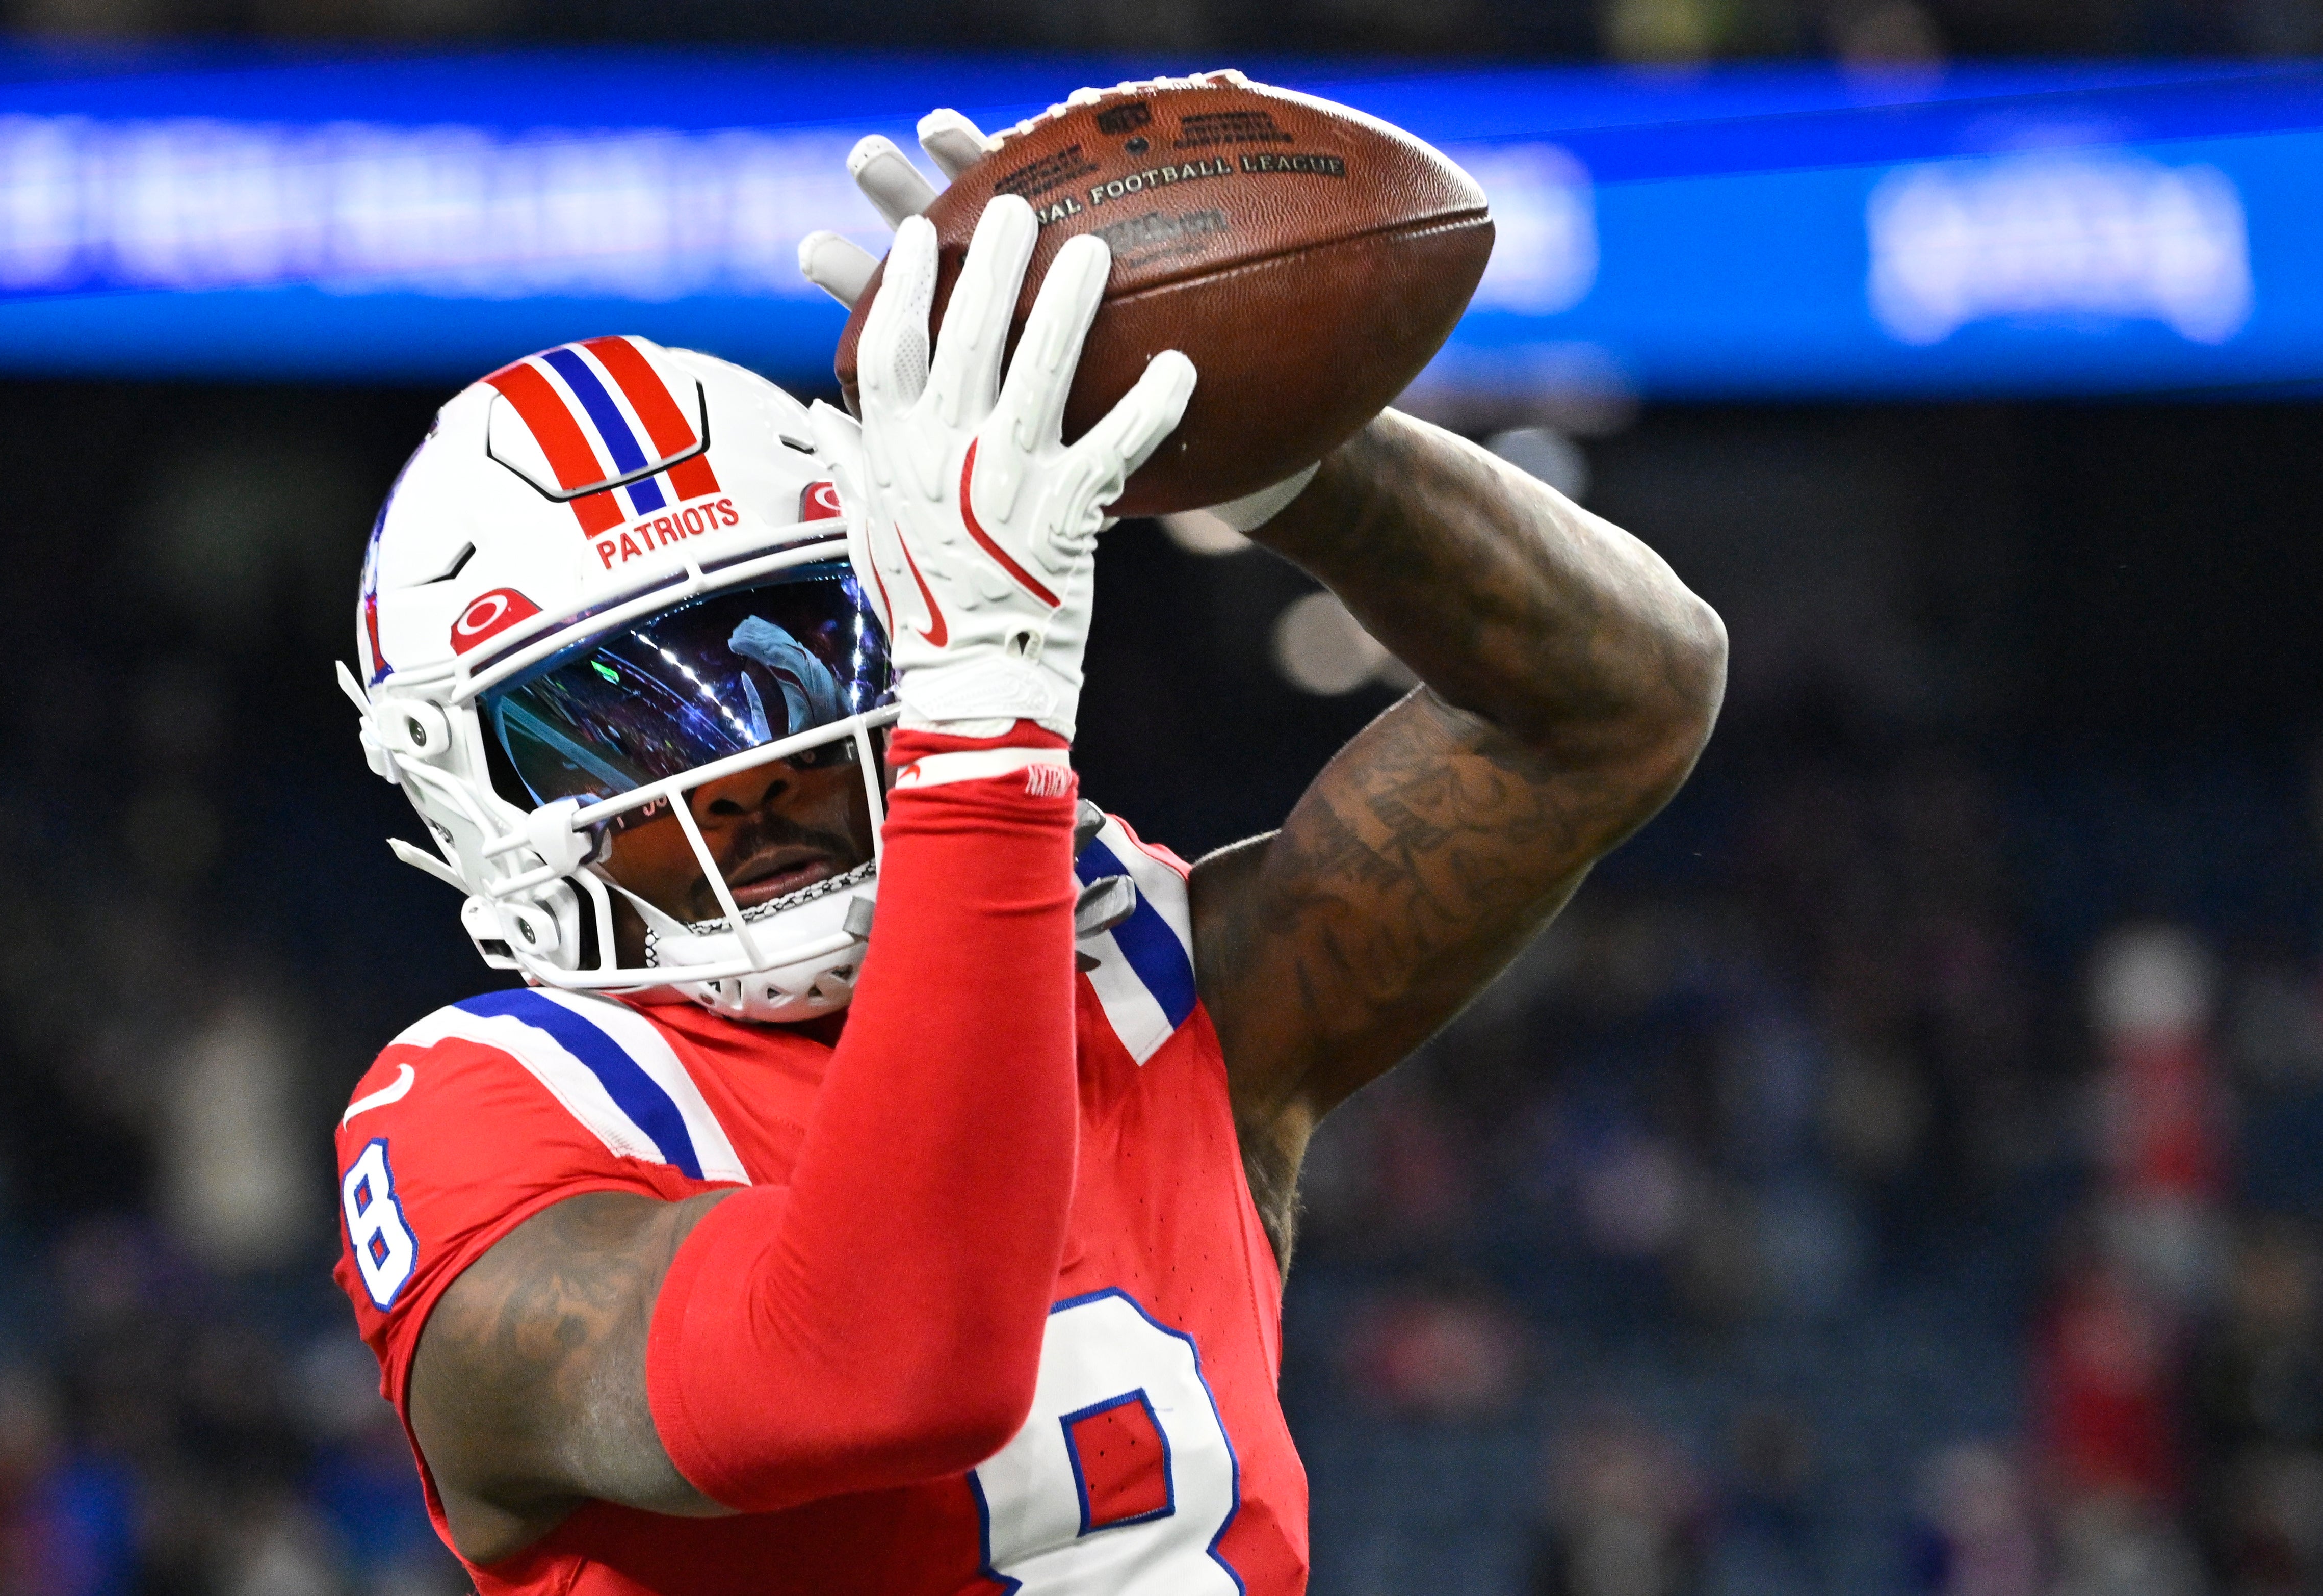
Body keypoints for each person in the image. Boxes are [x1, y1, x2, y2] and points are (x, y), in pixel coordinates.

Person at [329, 96, 1727, 1596]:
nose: (740, 772)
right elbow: (874, 1368)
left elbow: (1620, 701)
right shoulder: (490, 1112)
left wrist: (1227, 427)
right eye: (616, 728)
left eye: (786, 659)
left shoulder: (1137, 964)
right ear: (467, 789)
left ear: (898, 594)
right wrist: (985, 727)